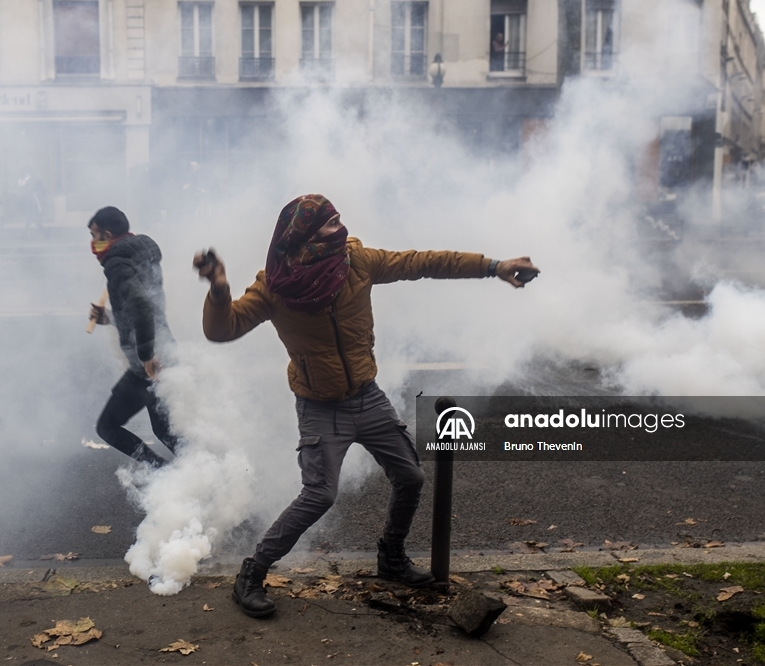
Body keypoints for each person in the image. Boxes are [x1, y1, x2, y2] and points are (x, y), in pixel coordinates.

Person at [194, 194, 539, 618]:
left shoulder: (356, 261)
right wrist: (219, 287)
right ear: (300, 235)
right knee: (319, 495)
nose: (338, 228)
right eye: (327, 224)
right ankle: (252, 572)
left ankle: (391, 558)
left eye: (338, 219)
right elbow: (222, 329)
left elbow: (425, 262)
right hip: (319, 405)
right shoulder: (274, 287)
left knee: (410, 476)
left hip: (367, 396)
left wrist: (493, 266)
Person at [88, 206, 179, 467]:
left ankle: (162, 472)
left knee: (107, 426)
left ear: (107, 234)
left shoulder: (116, 263)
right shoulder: (140, 249)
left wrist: (146, 355)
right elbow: (140, 305)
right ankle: (208, 477)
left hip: (148, 363)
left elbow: (141, 304)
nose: (93, 243)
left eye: (95, 235)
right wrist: (111, 318)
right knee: (166, 432)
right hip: (164, 349)